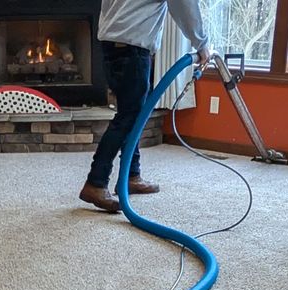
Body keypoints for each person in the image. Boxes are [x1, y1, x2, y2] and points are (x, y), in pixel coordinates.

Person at [80, 0, 211, 213]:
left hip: (111, 44)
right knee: (129, 117)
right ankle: (96, 181)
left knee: (133, 113)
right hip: (132, 48)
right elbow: (184, 6)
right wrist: (202, 44)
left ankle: (131, 174)